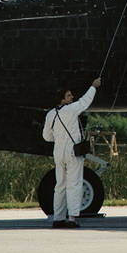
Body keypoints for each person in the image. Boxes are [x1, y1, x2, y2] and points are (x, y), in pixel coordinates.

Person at [42, 78, 100, 228]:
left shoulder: (50, 114)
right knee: (74, 183)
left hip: (58, 152)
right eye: (68, 96)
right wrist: (93, 86)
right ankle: (73, 218)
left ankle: (58, 218)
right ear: (62, 99)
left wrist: (59, 137)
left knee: (59, 185)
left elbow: (47, 137)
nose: (72, 97)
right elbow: (85, 101)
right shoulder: (71, 109)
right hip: (72, 152)